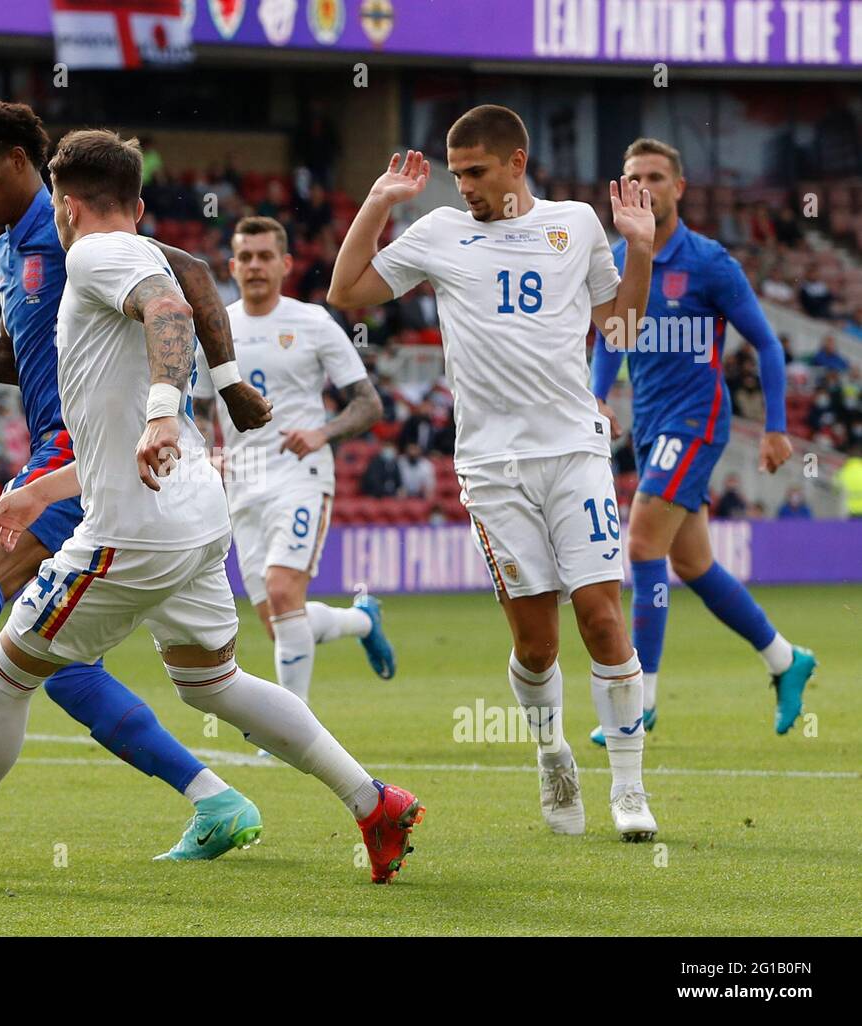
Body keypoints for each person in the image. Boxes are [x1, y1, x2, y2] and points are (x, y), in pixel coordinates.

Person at [0, 128, 422, 882]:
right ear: (140, 203)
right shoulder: (138, 251)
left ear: (64, 204)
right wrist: (40, 490)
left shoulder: (91, 252)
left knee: (0, 673)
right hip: (195, 513)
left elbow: (169, 314)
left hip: (135, 530)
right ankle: (373, 801)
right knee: (213, 683)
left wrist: (158, 414)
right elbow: (149, 360)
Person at [0, 98, 303, 866]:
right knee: (61, 668)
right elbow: (15, 353)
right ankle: (216, 799)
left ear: (19, 164)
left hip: (79, 449)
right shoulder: (13, 249)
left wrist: (228, 382)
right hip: (62, 448)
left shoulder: (73, 231)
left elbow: (192, 272)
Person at [329, 105, 659, 841]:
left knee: (603, 617)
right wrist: (378, 205)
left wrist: (641, 250)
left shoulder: (575, 225)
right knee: (537, 645)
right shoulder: (440, 232)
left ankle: (630, 790)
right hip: (491, 466)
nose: (464, 187)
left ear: (517, 162)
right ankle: (551, 752)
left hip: (574, 450)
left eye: (476, 172)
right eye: (456, 174)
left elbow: (622, 331)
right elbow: (346, 293)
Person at [590, 138, 814, 742]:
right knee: (692, 562)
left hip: (696, 420)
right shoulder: (620, 258)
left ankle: (640, 699)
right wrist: (598, 396)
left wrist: (773, 428)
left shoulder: (710, 262)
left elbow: (766, 344)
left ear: (679, 188)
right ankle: (786, 659)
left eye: (657, 176)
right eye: (634, 176)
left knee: (640, 544)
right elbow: (613, 336)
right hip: (652, 426)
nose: (645, 185)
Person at [191, 216, 393, 706]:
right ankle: (363, 620)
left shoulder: (313, 322)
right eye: (246, 257)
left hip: (299, 475)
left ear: (285, 264)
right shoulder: (216, 327)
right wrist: (206, 454)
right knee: (281, 621)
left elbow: (368, 404)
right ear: (232, 266)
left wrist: (322, 431)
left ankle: (291, 727)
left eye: (265, 257)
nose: (256, 266)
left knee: (284, 595)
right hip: (241, 483)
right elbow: (197, 407)